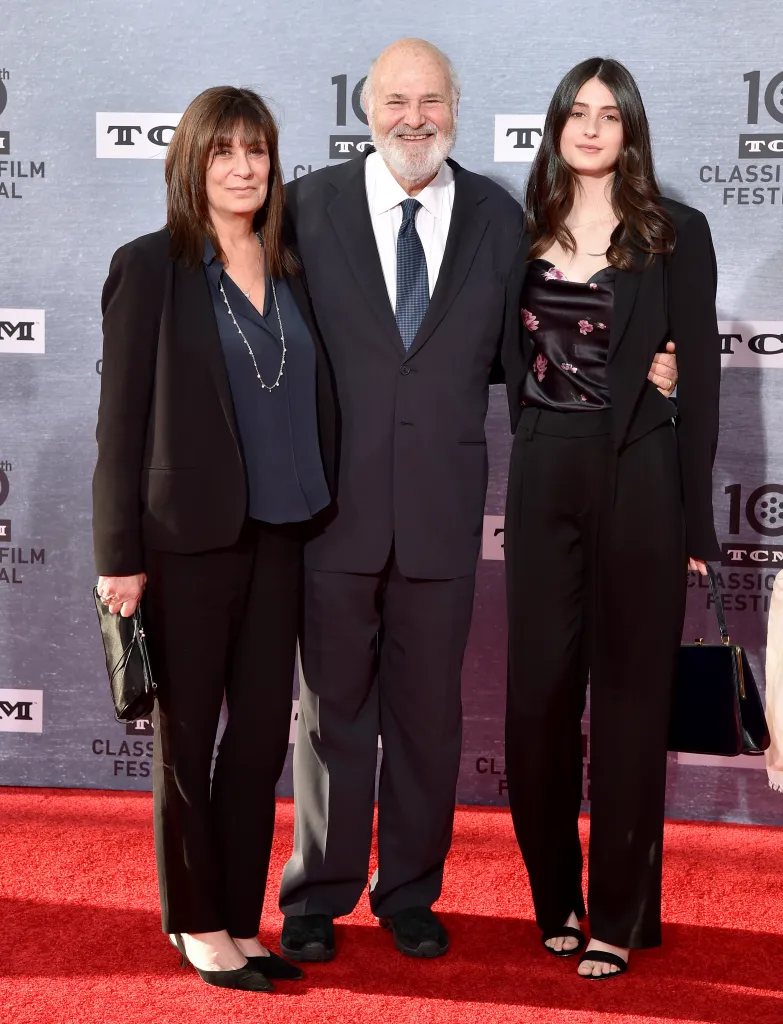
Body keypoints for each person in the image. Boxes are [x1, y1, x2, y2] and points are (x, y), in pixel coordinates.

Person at [278, 39, 678, 962]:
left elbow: (551, 349)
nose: (413, 118)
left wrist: (658, 363)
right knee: (331, 712)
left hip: (445, 510)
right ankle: (319, 893)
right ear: (365, 108)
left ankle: (409, 892)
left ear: (455, 105)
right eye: (395, 101)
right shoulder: (305, 208)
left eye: (431, 100)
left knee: (427, 717)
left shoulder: (504, 222)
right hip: (331, 511)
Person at [92, 86, 336, 991]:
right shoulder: (151, 266)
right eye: (222, 150)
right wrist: (118, 555)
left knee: (261, 739)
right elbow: (118, 427)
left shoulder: (293, 267)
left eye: (257, 150)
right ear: (190, 163)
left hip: (283, 534)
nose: (242, 167)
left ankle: (240, 915)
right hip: (183, 543)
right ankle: (196, 924)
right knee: (186, 741)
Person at [501, 57, 721, 979]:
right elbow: (490, 355)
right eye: (575, 113)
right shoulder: (515, 235)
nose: (591, 128)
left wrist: (696, 523)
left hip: (638, 473)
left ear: (631, 129)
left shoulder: (675, 234)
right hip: (543, 468)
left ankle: (620, 916)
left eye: (609, 115)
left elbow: (700, 383)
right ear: (556, 126)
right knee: (538, 701)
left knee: (632, 703)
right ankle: (555, 897)